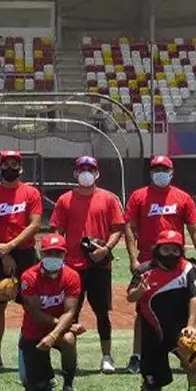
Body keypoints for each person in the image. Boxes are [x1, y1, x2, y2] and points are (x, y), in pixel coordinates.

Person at [123, 155, 196, 374]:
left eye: (164, 168)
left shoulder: (183, 197)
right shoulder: (139, 196)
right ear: (150, 172)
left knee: (178, 308)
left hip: (175, 259)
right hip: (149, 261)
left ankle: (182, 351)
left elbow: (194, 228)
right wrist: (133, 259)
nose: (160, 172)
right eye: (156, 168)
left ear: (172, 172)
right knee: (143, 312)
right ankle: (137, 355)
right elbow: (130, 227)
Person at [49, 155, 125, 373]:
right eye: (82, 168)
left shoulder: (109, 199)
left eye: (90, 168)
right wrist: (60, 254)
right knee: (71, 313)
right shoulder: (65, 200)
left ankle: (107, 356)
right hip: (73, 266)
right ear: (75, 173)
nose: (86, 172)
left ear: (97, 172)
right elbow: (57, 230)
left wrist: (106, 250)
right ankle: (71, 355)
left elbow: (117, 228)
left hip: (100, 265)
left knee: (102, 313)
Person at [0, 150, 43, 371]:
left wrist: (11, 247)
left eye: (15, 164)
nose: (10, 168)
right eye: (6, 164)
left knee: (31, 303)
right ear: (0, 168)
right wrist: (3, 254)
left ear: (21, 168)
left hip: (25, 253)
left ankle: (33, 349)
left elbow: (34, 225)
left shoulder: (30, 193)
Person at [126, 230, 196, 391]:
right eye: (166, 249)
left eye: (175, 250)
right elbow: (130, 297)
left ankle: (193, 389)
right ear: (158, 250)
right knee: (153, 389)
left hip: (179, 330)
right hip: (152, 333)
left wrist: (191, 326)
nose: (171, 254)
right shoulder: (144, 270)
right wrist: (140, 291)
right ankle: (151, 380)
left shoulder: (188, 269)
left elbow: (195, 296)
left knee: (195, 351)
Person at [18, 233, 81, 391]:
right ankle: (45, 378)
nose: (53, 258)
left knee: (68, 339)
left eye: (58, 254)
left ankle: (68, 385)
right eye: (49, 253)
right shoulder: (29, 277)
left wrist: (54, 334)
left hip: (58, 330)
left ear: (64, 255)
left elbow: (70, 311)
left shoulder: (72, 276)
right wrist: (63, 326)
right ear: (41, 253)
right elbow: (34, 312)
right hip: (34, 330)